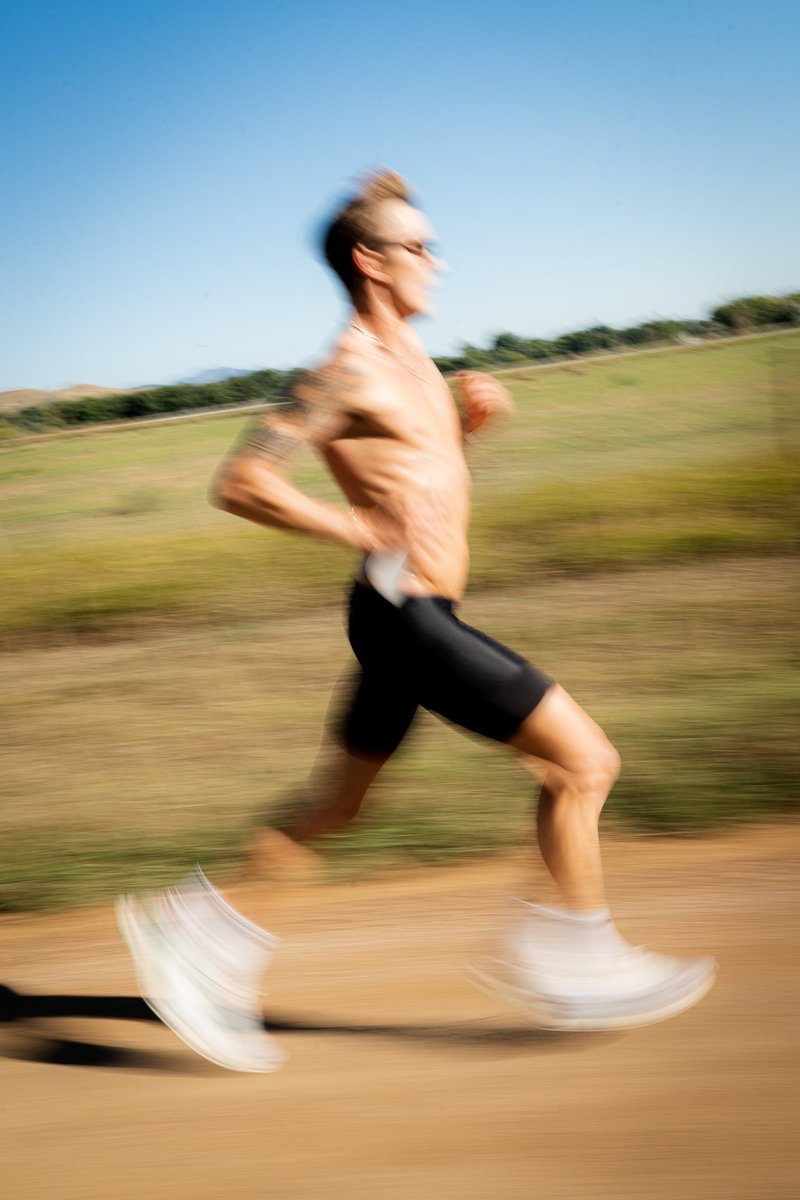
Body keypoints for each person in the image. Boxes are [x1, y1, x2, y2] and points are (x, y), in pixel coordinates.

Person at [117, 169, 715, 1072]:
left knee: (340, 805)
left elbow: (415, 477)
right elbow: (243, 482)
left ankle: (191, 928)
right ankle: (569, 951)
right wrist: (349, 525)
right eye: (421, 247)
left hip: (412, 614)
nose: (437, 261)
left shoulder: (416, 366)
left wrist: (469, 427)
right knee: (583, 762)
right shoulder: (345, 368)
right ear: (371, 260)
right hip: (406, 615)